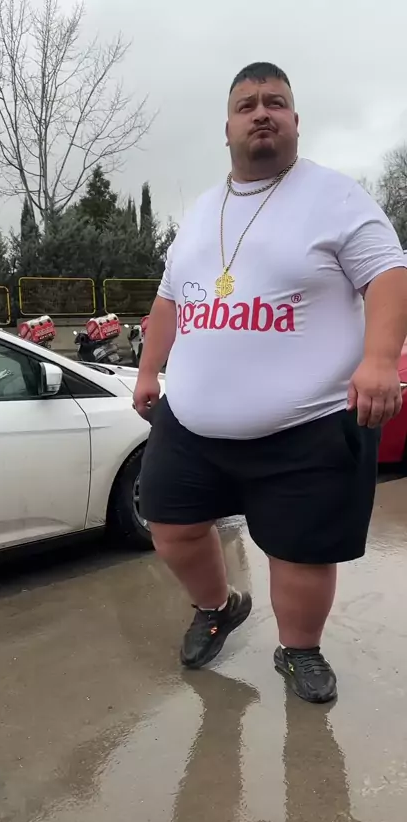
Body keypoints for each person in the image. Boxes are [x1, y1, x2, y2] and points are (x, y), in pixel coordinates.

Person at [133, 62, 407, 703]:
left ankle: (299, 649)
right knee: (170, 526)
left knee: (300, 553)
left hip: (307, 424)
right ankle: (218, 606)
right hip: (190, 422)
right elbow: (170, 299)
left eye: (275, 102)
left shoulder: (335, 197)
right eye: (247, 104)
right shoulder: (202, 211)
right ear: (227, 127)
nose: (261, 112)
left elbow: (388, 275)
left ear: (294, 121)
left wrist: (379, 359)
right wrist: (148, 370)